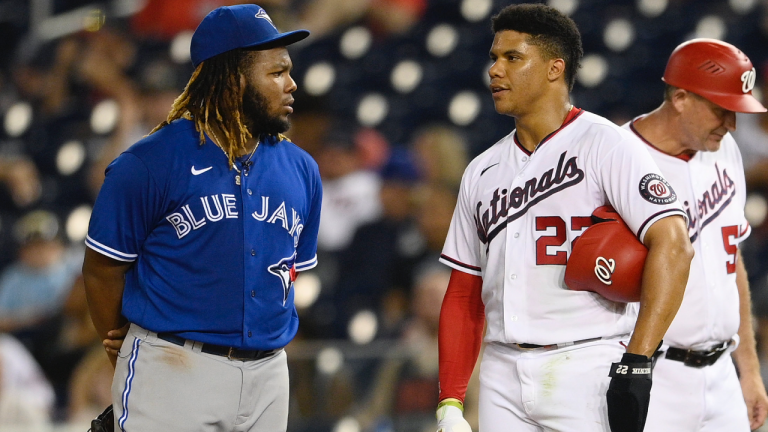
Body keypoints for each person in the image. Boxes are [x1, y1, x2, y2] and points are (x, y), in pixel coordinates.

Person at [434, 4, 693, 432]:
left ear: (556, 68)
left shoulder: (606, 144)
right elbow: (464, 290)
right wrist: (450, 402)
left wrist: (638, 359)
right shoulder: (481, 170)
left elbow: (675, 243)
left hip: (587, 362)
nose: (494, 70)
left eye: (512, 58)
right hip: (501, 371)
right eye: (494, 57)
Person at [82, 5, 321, 431]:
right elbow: (102, 269)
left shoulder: (302, 169)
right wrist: (125, 339)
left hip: (269, 374)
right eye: (277, 72)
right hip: (174, 368)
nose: (292, 84)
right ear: (233, 79)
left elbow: (289, 279)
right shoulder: (150, 162)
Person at [624, 39, 768, 431]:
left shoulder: (725, 150)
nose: (732, 123)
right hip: (654, 377)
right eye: (722, 110)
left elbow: (730, 260)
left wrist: (750, 371)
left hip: (722, 374)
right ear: (682, 99)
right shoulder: (617, 157)